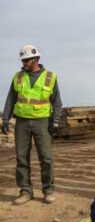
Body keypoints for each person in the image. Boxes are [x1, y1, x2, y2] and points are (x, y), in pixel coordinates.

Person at [2, 45, 62, 205]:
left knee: (46, 158)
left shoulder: (50, 77)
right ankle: (25, 191)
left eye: (26, 60)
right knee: (22, 159)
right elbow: (10, 99)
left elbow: (57, 102)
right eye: (23, 60)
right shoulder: (18, 77)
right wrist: (5, 119)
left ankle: (48, 190)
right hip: (21, 122)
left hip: (42, 123)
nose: (24, 62)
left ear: (35, 59)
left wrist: (56, 120)